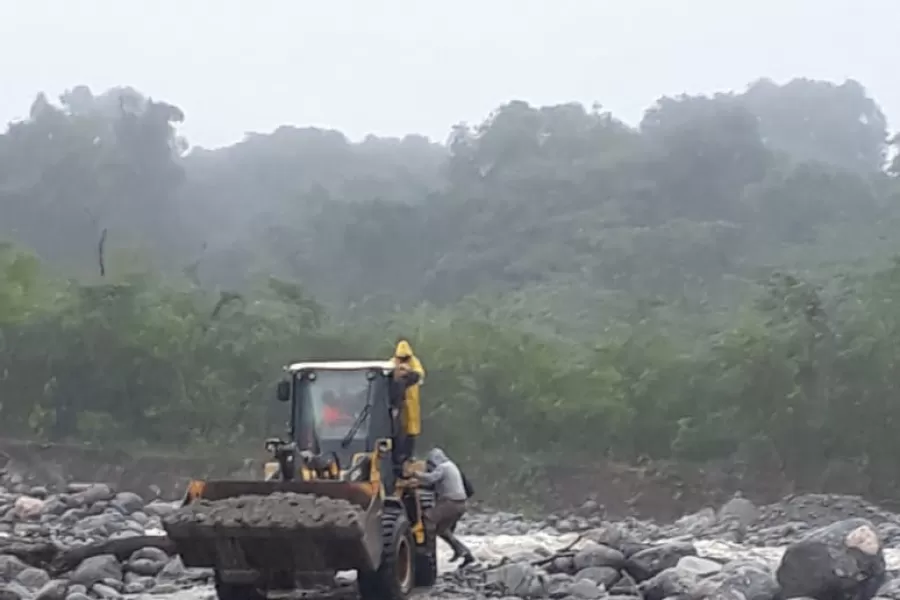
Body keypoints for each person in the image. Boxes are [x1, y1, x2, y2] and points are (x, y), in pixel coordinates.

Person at [413, 447, 475, 567]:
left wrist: (415, 474)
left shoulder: (443, 467)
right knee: (442, 530)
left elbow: (431, 478)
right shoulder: (451, 466)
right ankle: (464, 552)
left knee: (428, 518)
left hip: (451, 503)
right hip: (461, 504)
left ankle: (429, 552)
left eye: (431, 463)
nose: (430, 466)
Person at [388, 339, 425, 460]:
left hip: (411, 400)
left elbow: (418, 375)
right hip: (397, 402)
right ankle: (396, 456)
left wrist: (407, 372)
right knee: (396, 429)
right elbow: (385, 374)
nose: (403, 360)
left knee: (412, 427)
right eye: (401, 358)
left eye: (406, 358)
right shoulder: (392, 363)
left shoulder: (414, 362)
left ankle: (408, 455)